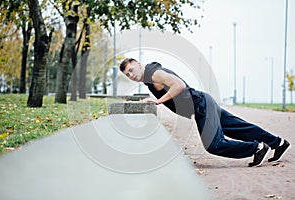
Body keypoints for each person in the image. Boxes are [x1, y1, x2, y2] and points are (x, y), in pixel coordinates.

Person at [119, 58, 291, 167]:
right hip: (203, 102)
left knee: (213, 144)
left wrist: (158, 101)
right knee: (238, 127)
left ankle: (257, 147)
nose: (131, 75)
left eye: (132, 70)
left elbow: (179, 85)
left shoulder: (154, 73)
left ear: (138, 64)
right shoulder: (150, 76)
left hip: (201, 106)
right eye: (127, 74)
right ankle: (279, 143)